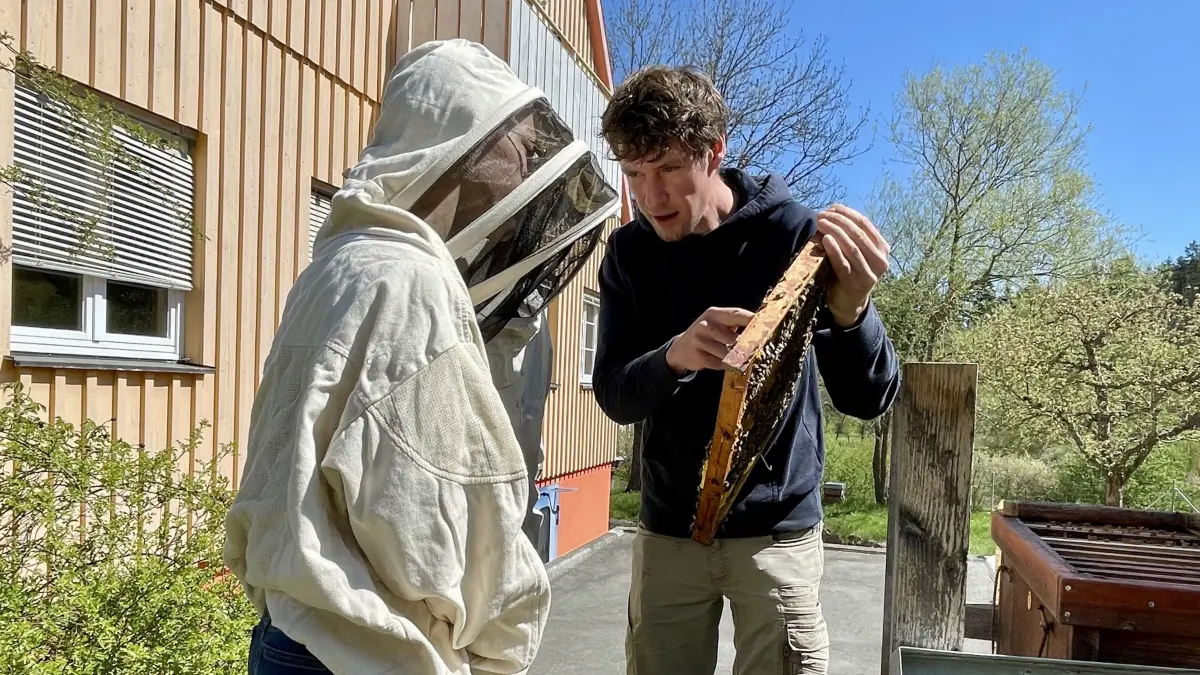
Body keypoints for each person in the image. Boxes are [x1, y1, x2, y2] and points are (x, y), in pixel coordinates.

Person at [223, 38, 621, 675]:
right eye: (515, 140)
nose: (528, 160)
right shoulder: (409, 281)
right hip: (367, 651)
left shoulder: (342, 263)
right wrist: (503, 637)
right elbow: (437, 522)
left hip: (295, 631)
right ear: (459, 132)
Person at [593, 65, 901, 675]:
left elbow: (869, 397)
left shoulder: (794, 235)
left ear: (714, 152)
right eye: (635, 174)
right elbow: (614, 394)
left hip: (776, 536)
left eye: (670, 169)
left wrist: (853, 312)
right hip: (668, 534)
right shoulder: (628, 253)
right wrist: (672, 357)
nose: (651, 197)